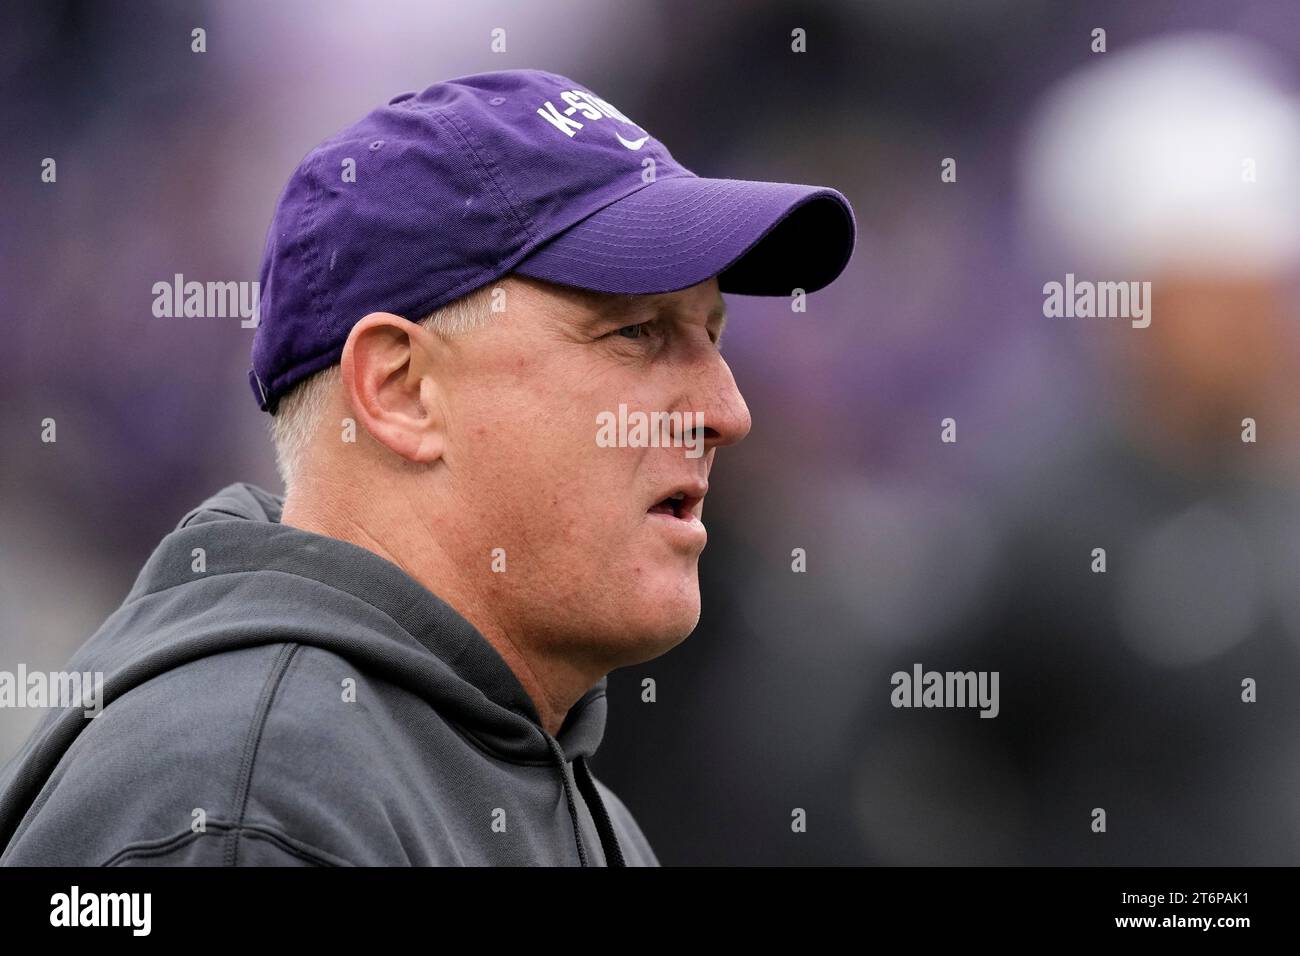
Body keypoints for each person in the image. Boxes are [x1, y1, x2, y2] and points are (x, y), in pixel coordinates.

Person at [0, 68, 855, 866]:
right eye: (636, 332)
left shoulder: (550, 787)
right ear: (402, 390)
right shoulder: (249, 800)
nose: (728, 413)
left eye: (712, 334)